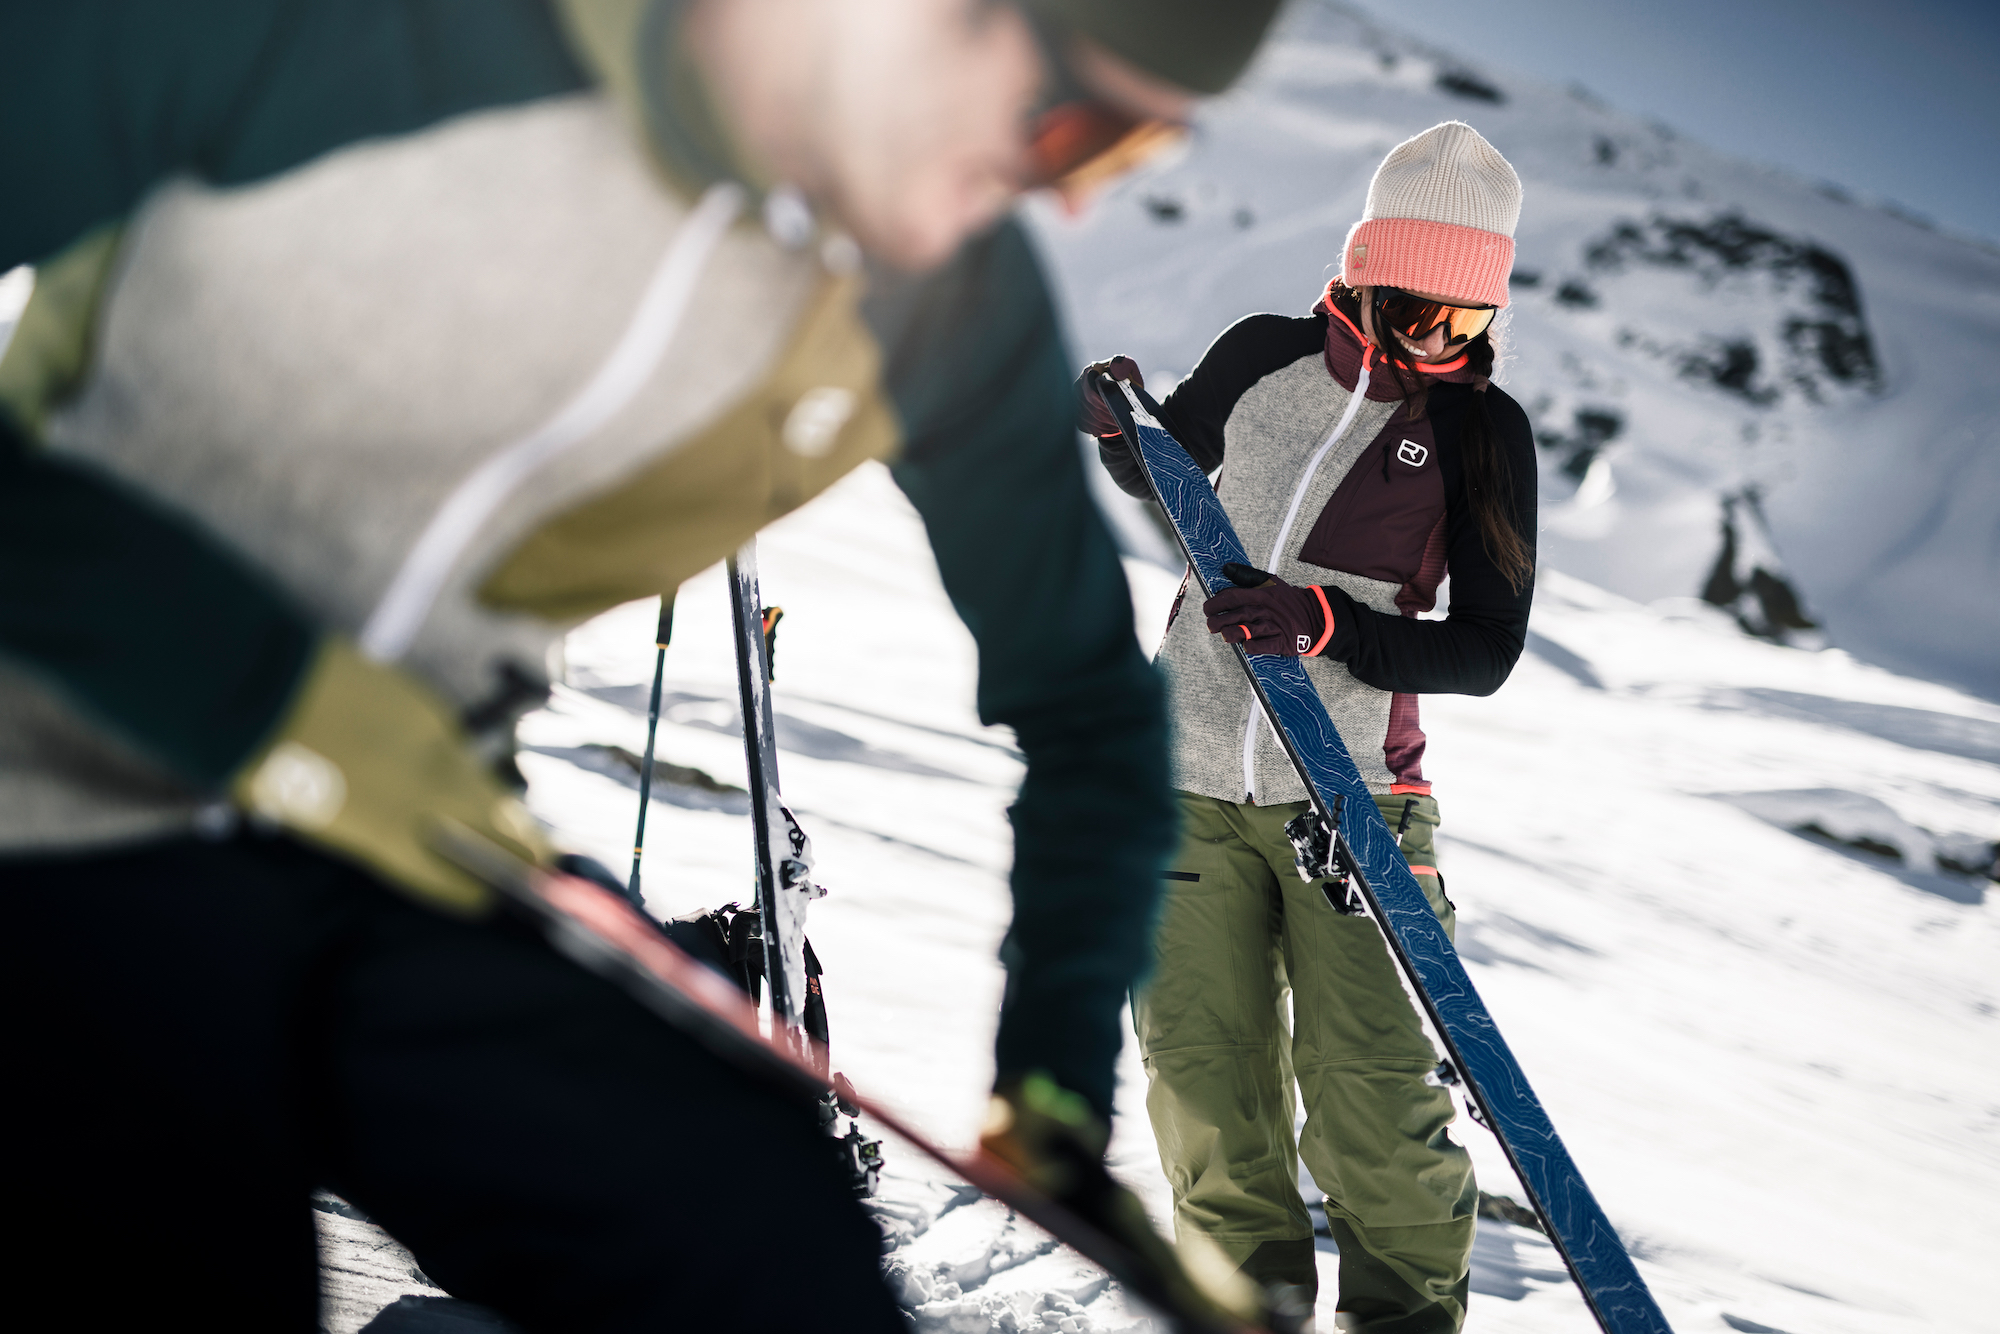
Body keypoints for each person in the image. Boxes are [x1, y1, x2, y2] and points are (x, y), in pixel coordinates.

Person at [0, 1, 1282, 1327]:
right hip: (52, 767)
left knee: (762, 1239)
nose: (1063, 197)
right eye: (1078, 125)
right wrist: (263, 690)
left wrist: (1058, 1073)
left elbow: (1083, 705)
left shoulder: (948, 302)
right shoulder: (384, 40)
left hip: (402, 832)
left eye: (1127, 160)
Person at [1080, 121, 1539, 1333]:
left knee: (1373, 1107)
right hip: (1176, 789)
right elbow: (1170, 478)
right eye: (1423, 314)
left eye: (1470, 323)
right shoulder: (1263, 355)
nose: (1447, 345)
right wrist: (1129, 434)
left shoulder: (1481, 433)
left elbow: (1484, 649)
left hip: (1352, 810)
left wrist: (1324, 621)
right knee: (1206, 1097)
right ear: (1366, 272)